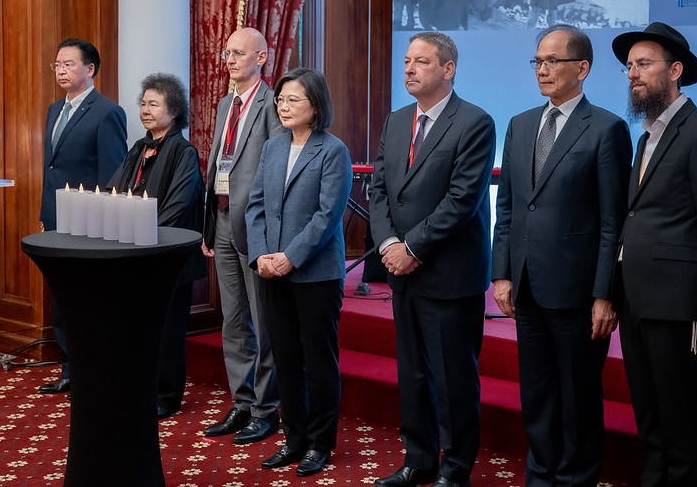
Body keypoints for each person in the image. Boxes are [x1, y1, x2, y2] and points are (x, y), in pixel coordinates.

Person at [491, 24, 632, 486]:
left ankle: (576, 478)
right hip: (527, 285)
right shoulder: (520, 123)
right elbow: (509, 207)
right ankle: (541, 474)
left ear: (582, 68)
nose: (543, 69)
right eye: (538, 61)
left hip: (577, 291)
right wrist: (502, 274)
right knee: (537, 392)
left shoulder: (607, 128)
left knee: (578, 395)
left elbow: (614, 221)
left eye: (553, 61)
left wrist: (604, 294)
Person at [611, 22, 697, 486]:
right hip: (636, 301)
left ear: (676, 70)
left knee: (681, 423)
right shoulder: (646, 137)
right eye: (629, 67)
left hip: (678, 304)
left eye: (643, 65)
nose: (632, 75)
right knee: (649, 417)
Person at [369, 32, 496, 487]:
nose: (408, 68)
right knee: (414, 374)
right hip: (401, 271)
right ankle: (418, 459)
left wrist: (413, 249)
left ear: (448, 69)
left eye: (421, 61)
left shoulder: (475, 122)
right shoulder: (397, 120)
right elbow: (378, 187)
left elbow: (462, 200)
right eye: (406, 60)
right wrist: (387, 245)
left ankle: (456, 468)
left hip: (448, 274)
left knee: (453, 379)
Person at [245, 68, 352, 477]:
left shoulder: (332, 150)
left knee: (318, 361)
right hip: (271, 270)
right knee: (285, 358)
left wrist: (290, 256)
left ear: (316, 105)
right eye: (281, 100)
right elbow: (255, 206)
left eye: (293, 100)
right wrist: (260, 257)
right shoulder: (273, 147)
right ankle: (294, 440)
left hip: (315, 274)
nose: (283, 107)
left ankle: (320, 444)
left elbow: (328, 216)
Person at [107, 73, 206, 420]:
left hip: (168, 257)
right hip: (136, 254)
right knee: (140, 327)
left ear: (174, 111)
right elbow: (115, 190)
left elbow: (176, 208)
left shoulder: (184, 151)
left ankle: (167, 395)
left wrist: (144, 237)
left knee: (167, 330)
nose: (145, 111)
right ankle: (141, 387)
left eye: (154, 104)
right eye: (143, 104)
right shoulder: (138, 147)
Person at [201, 27, 283, 444]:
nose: (229, 60)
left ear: (262, 58)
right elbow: (219, 164)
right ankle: (242, 402)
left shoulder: (274, 104)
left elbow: (275, 172)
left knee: (263, 321)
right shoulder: (224, 104)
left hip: (257, 228)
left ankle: (268, 409)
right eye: (226, 53)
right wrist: (208, 226)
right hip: (221, 221)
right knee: (233, 320)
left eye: (238, 53)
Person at [38, 38, 127, 395]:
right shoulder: (53, 110)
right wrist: (46, 214)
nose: (60, 71)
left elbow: (113, 173)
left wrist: (103, 220)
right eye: (56, 65)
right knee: (62, 296)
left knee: (90, 299)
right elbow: (53, 168)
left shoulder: (107, 112)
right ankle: (70, 370)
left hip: (89, 220)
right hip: (57, 218)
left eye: (68, 64)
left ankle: (94, 371)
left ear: (89, 69)